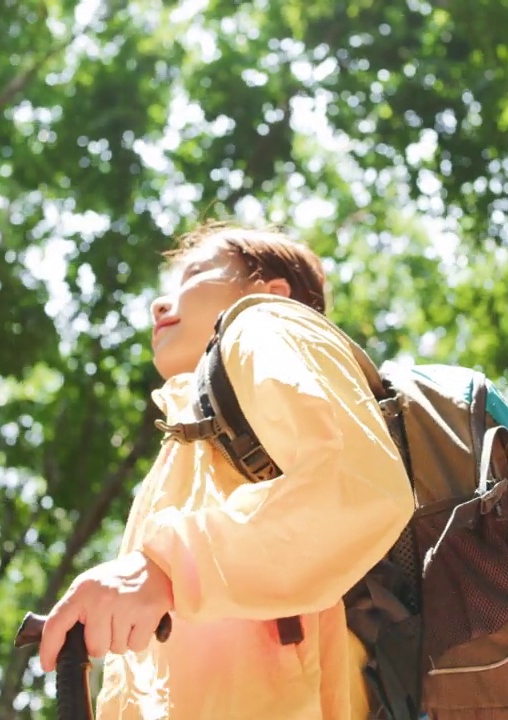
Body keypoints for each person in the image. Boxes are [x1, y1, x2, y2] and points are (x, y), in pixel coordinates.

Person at [37, 222, 416, 719]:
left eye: (194, 273)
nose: (159, 304)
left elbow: (357, 489)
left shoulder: (265, 326)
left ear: (272, 290)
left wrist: (164, 570)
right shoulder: (188, 438)